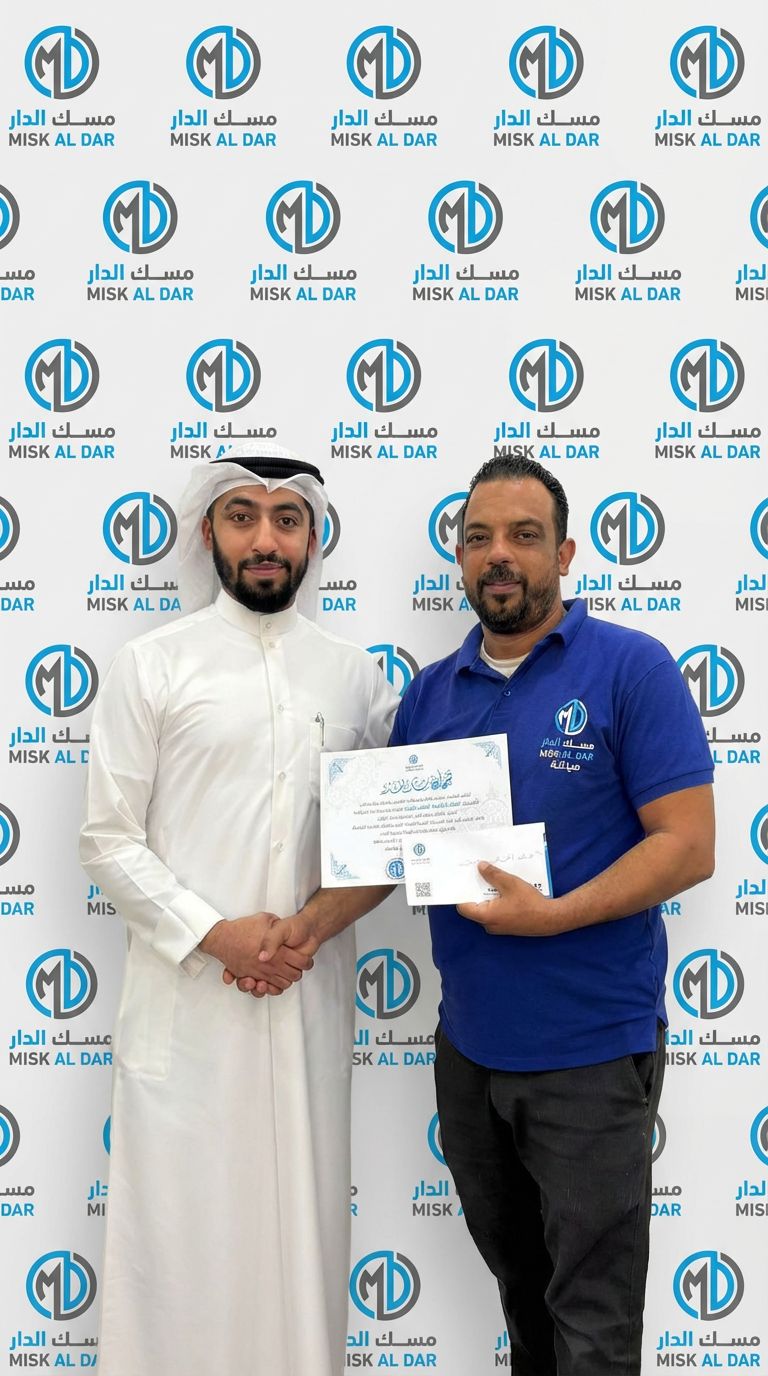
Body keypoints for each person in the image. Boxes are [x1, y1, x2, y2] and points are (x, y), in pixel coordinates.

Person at [389, 455, 715, 1376]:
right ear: (460, 558)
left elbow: (689, 844)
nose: (500, 554)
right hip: (470, 1052)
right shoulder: (430, 693)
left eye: (524, 536)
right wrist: (297, 931)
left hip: (590, 1053)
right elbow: (383, 849)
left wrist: (557, 914)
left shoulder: (630, 667)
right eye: (479, 538)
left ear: (564, 553)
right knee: (524, 1302)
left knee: (594, 1321)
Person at [80, 445, 398, 1376]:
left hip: (305, 1004)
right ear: (207, 533)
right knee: (181, 1250)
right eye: (243, 517)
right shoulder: (152, 665)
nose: (266, 539)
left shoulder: (357, 678)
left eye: (287, 520)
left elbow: (387, 837)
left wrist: (305, 932)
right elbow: (107, 840)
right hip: (188, 1012)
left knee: (299, 1245)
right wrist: (220, 936)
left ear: (312, 539)